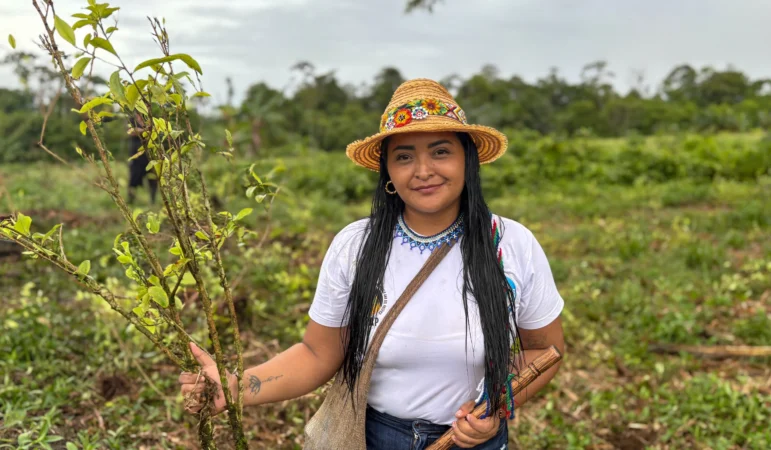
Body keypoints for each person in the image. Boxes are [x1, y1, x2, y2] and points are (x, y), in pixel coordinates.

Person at [178, 79, 565, 449]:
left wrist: (494, 410)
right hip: (374, 438)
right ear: (388, 173)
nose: (424, 170)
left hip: (474, 443)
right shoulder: (357, 246)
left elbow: (543, 351)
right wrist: (237, 388)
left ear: (469, 159)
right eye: (404, 156)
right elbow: (318, 353)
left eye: (441, 150)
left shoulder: (511, 245)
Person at [127, 111, 158, 205]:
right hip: (136, 156)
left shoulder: (150, 119)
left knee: (153, 180)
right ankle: (131, 202)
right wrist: (145, 131)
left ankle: (153, 202)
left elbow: (156, 130)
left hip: (150, 156)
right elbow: (130, 131)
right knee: (133, 179)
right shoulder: (132, 120)